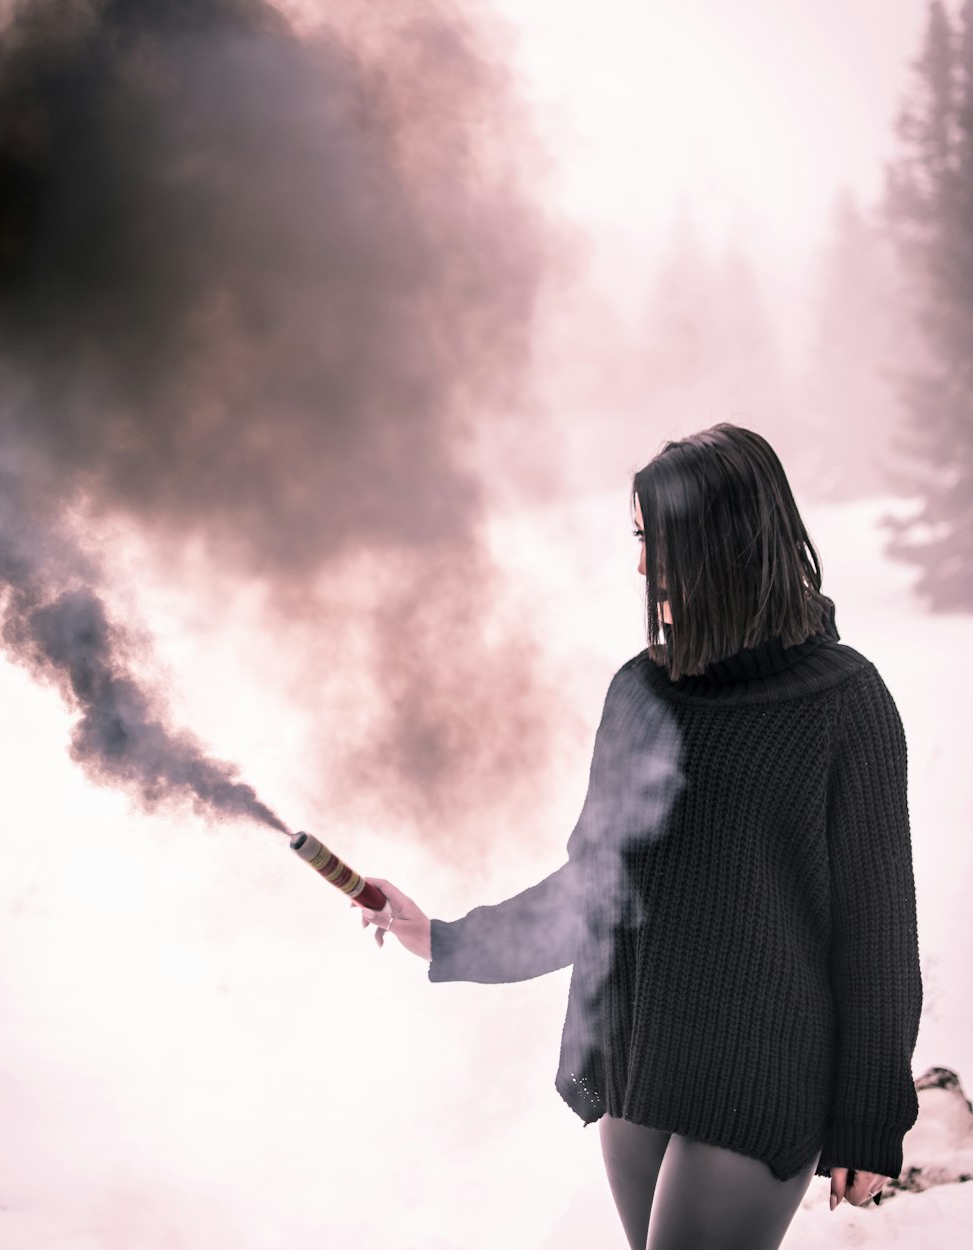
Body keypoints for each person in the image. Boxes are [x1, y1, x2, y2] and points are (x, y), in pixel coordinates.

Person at [354, 423, 923, 1250]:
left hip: (760, 1076)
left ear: (723, 546)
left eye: (657, 539)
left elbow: (878, 935)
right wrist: (445, 937)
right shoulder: (642, 691)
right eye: (639, 537)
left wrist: (871, 1119)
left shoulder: (847, 706)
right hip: (638, 1063)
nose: (642, 562)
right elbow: (595, 889)